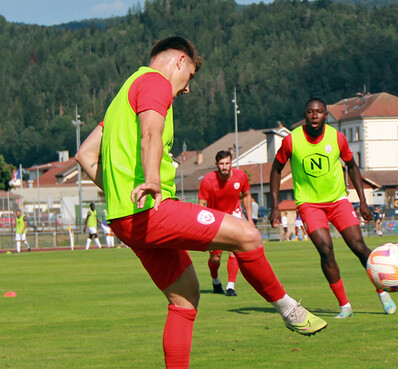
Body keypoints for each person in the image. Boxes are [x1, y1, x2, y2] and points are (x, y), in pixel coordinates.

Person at [74, 36, 326, 368]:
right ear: (179, 61)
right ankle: (289, 309)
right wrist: (150, 179)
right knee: (247, 236)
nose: (188, 88)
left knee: (185, 299)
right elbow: (151, 132)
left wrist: (122, 190)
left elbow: (84, 154)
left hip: (126, 220)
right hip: (152, 211)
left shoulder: (123, 95)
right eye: (190, 76)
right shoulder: (155, 82)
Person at [270, 98, 397, 319]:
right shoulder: (292, 140)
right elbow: (275, 169)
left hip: (338, 201)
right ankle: (344, 305)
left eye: (319, 112)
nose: (315, 115)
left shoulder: (337, 137)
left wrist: (363, 202)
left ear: (326, 115)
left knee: (358, 246)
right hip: (309, 204)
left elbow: (352, 166)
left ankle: (382, 292)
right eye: (310, 112)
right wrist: (274, 206)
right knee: (325, 249)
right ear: (305, 115)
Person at [198, 150, 254, 297]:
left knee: (234, 251)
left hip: (234, 215)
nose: (225, 167)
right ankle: (215, 280)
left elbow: (247, 195)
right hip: (214, 219)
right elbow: (201, 204)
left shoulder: (241, 176)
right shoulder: (208, 180)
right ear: (216, 165)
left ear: (231, 163)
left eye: (227, 163)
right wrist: (201, 226)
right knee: (215, 258)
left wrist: (250, 220)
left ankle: (230, 286)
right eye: (221, 164)